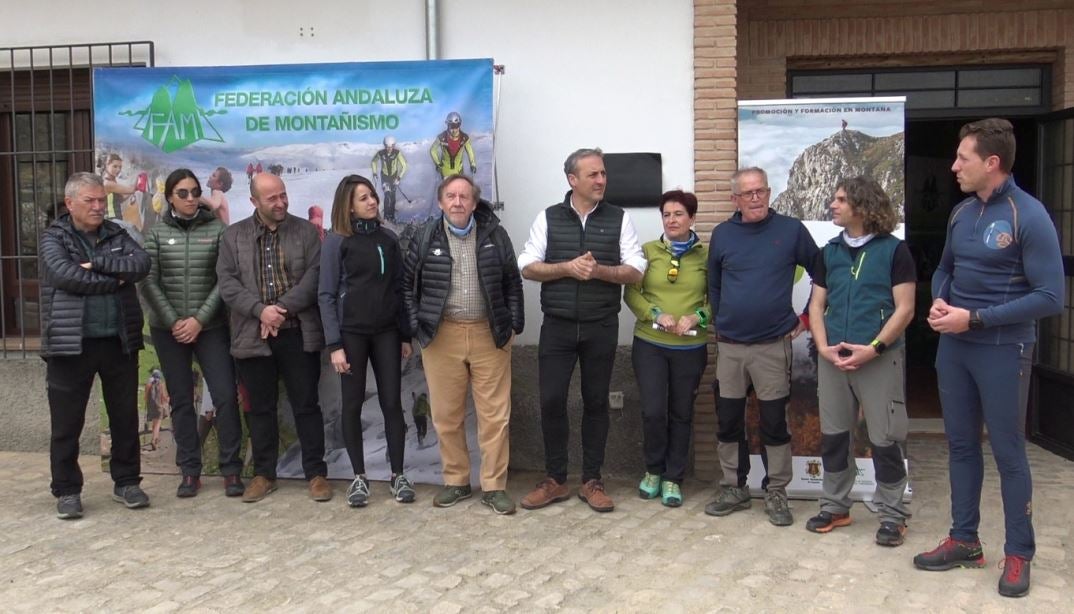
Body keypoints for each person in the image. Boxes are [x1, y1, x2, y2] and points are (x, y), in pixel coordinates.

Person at [914, 118, 1064, 598]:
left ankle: (1019, 553)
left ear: (992, 163)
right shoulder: (961, 212)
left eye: (964, 158)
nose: (954, 166)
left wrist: (973, 319)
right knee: (960, 445)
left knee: (1008, 452)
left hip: (1003, 349)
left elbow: (1050, 297)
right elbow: (944, 268)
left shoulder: (1029, 214)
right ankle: (964, 540)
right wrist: (939, 300)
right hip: (955, 347)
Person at [517, 147, 646, 513]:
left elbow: (636, 268)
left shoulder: (619, 218)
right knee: (551, 401)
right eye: (593, 174)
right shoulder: (549, 217)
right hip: (557, 326)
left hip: (600, 326)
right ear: (572, 180)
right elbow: (527, 264)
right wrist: (567, 268)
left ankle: (592, 480)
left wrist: (600, 271)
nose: (602, 180)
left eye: (603, 174)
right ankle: (555, 480)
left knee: (596, 402)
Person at [403, 174, 524, 515]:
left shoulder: (495, 235)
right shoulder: (425, 236)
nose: (458, 202)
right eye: (451, 196)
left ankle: (494, 486)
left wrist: (514, 324)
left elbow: (512, 282)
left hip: (490, 334)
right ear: (440, 202)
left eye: (464, 196)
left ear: (474, 202)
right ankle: (456, 481)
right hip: (442, 336)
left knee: (495, 417)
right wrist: (417, 326)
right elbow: (407, 286)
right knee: (446, 415)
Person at [704, 167, 819, 527]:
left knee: (773, 423)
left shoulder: (791, 231)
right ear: (734, 198)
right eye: (748, 193)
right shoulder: (723, 235)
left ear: (769, 194)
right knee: (727, 421)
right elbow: (715, 284)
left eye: (761, 191)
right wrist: (721, 322)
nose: (756, 198)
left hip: (772, 345)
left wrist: (806, 319)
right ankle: (734, 487)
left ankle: (777, 492)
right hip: (731, 347)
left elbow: (823, 273)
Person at [805, 176, 915, 547]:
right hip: (833, 357)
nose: (832, 205)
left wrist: (875, 348)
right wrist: (823, 347)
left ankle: (893, 515)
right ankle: (836, 506)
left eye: (839, 200)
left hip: (878, 359)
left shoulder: (894, 251)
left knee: (884, 438)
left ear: (862, 205)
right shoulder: (829, 251)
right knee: (834, 437)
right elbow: (816, 305)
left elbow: (906, 309)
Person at [41, 172, 151, 519]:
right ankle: (68, 490)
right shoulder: (53, 238)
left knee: (124, 416)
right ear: (70, 203)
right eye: (90, 201)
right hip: (71, 344)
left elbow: (141, 264)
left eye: (101, 200)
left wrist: (100, 264)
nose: (98, 206)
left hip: (119, 340)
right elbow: (65, 276)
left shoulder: (117, 233)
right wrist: (116, 281)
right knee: (67, 422)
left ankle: (127, 482)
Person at [216, 172, 332, 503]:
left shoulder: (306, 232)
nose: (280, 202)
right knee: (260, 408)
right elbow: (227, 283)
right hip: (252, 334)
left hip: (296, 331)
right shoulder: (233, 237)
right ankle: (264, 474)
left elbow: (315, 276)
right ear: (254, 201)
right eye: (272, 198)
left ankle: (316, 473)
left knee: (306, 404)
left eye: (283, 195)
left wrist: (279, 309)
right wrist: (259, 311)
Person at [139, 168, 245, 498]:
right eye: (182, 193)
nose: (189, 198)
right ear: (170, 196)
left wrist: (198, 320)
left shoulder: (217, 230)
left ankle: (231, 470)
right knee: (182, 399)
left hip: (210, 326)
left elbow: (224, 281)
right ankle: (189, 471)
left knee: (225, 396)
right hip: (168, 329)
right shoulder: (156, 234)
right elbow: (148, 281)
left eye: (194, 192)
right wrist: (174, 321)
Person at [318, 174, 415, 507]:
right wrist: (335, 345)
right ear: (348, 205)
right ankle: (359, 478)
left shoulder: (388, 239)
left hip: (387, 332)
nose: (372, 201)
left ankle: (397, 475)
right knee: (352, 403)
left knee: (392, 403)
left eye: (372, 196)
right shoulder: (335, 241)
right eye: (363, 198)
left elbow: (400, 289)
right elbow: (326, 294)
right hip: (352, 335)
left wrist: (404, 334)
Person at [624, 190, 709, 508]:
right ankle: (653, 471)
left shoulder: (706, 257)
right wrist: (655, 314)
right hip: (650, 345)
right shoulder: (646, 252)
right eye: (667, 214)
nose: (672, 220)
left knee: (682, 413)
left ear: (692, 218)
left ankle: (674, 477)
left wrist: (697, 317)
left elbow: (716, 301)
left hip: (690, 347)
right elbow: (631, 294)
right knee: (653, 411)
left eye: (679, 214)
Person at [371, 136, 408, 222]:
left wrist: (399, 177)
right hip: (385, 177)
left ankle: (392, 216)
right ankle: (386, 217)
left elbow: (404, 166)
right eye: (387, 147)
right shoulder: (381, 153)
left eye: (391, 147)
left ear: (394, 146)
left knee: (392, 196)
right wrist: (374, 173)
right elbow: (374, 161)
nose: (389, 149)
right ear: (384, 146)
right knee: (387, 195)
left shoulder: (397, 153)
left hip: (394, 177)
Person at [429, 112, 476, 179]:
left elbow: (470, 151)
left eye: (456, 126)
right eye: (451, 126)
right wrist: (438, 164)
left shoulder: (465, 138)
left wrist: (473, 164)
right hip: (446, 172)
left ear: (459, 125)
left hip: (459, 171)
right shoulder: (441, 137)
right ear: (448, 125)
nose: (454, 130)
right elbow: (432, 150)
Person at [143, 368, 170, 451]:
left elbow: (145, 397)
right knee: (158, 424)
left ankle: (156, 438)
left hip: (151, 407)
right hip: (159, 407)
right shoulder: (161, 384)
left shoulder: (149, 384)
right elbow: (164, 397)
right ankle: (154, 440)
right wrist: (168, 399)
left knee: (154, 423)